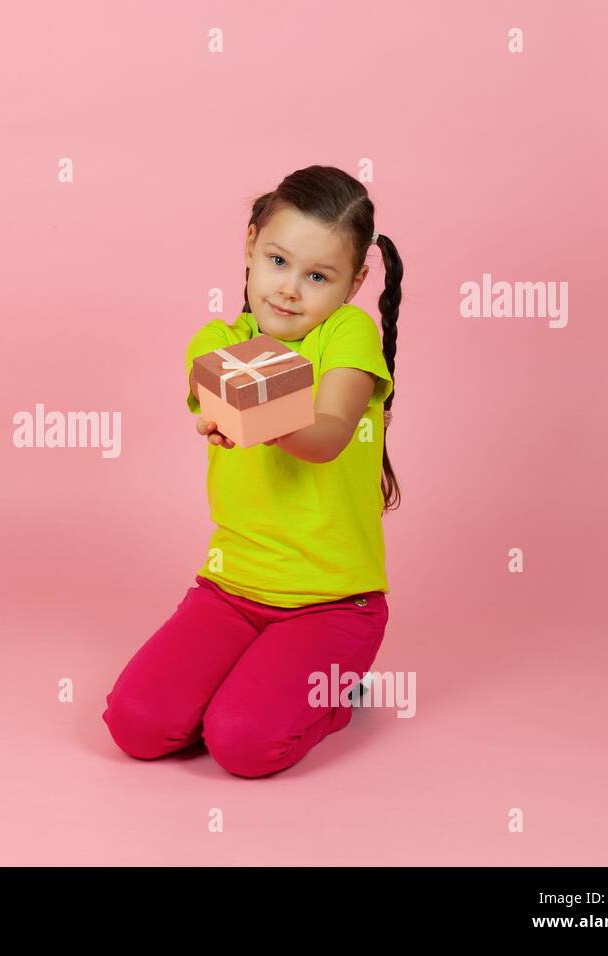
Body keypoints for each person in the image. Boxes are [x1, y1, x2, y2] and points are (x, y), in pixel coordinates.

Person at [102, 165, 404, 778]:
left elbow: (327, 434)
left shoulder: (348, 334)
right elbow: (217, 378)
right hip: (229, 592)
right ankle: (253, 680)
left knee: (241, 744)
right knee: (136, 724)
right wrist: (232, 404)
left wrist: (260, 418)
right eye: (278, 261)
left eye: (317, 276)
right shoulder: (215, 339)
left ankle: (333, 699)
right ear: (249, 245)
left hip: (332, 605)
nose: (290, 289)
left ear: (355, 282)